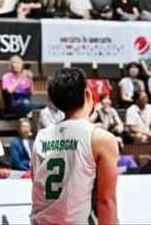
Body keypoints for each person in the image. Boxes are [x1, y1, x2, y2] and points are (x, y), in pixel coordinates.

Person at [31, 67, 119, 224]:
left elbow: (38, 189)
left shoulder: (42, 136)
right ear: (87, 94)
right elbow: (105, 200)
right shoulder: (101, 138)